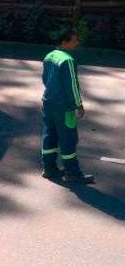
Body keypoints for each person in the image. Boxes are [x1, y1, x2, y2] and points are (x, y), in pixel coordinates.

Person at [41, 28, 94, 184]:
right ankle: (73, 173)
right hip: (64, 107)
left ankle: (49, 169)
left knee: (49, 135)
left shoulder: (49, 56)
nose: (77, 42)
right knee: (68, 138)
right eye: (75, 40)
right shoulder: (68, 60)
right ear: (65, 42)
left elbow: (45, 79)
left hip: (48, 102)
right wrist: (79, 105)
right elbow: (72, 85)